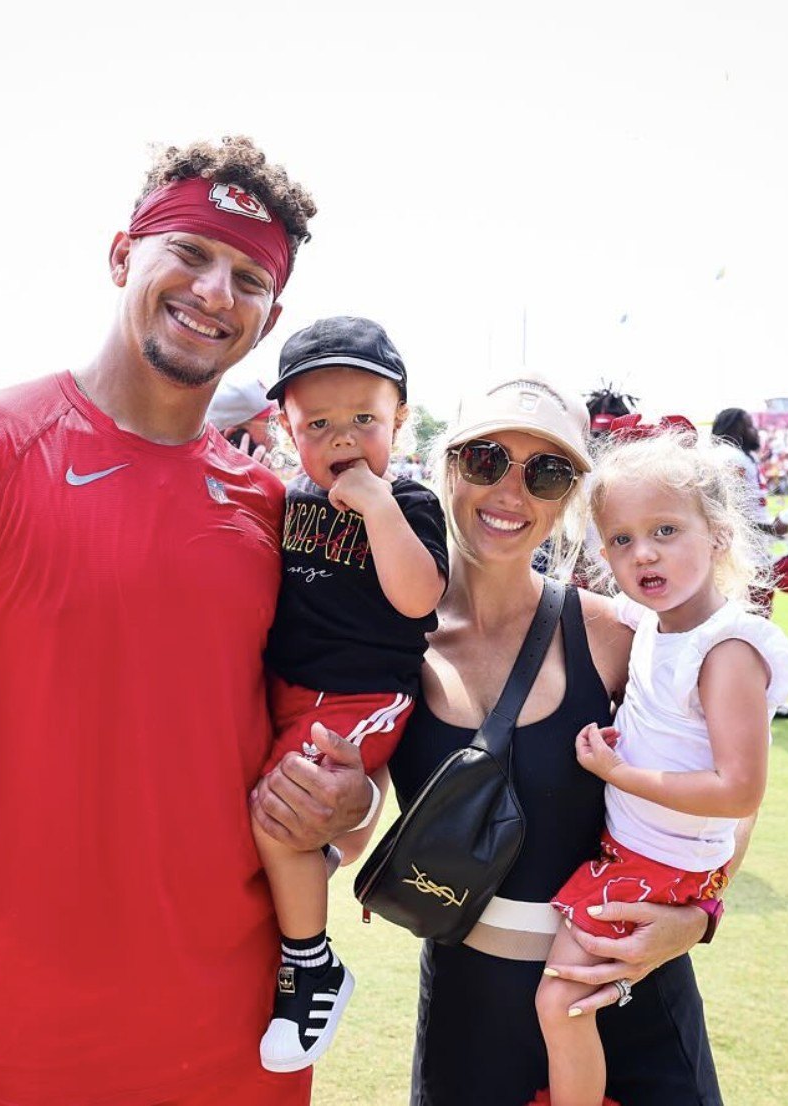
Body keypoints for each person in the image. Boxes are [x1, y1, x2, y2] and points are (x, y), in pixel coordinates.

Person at [0, 136, 375, 1106]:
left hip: (252, 1051)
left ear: (270, 315)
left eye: (247, 276)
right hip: (41, 1050)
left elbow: (322, 747)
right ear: (122, 253)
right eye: (190, 252)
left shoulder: (272, 506)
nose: (214, 290)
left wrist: (349, 803)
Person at [385, 373, 739, 1106]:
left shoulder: (616, 634)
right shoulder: (390, 640)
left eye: (546, 472)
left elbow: (733, 793)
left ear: (571, 495)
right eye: (485, 459)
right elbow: (358, 804)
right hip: (468, 1017)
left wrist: (695, 917)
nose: (511, 494)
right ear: (446, 464)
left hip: (621, 996)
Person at [535, 424, 788, 1106]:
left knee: (561, 996)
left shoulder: (726, 648)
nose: (642, 552)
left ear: (716, 534)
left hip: (658, 864)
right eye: (621, 540)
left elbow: (739, 789)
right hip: (643, 851)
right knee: (572, 993)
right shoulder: (659, 621)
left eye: (665, 531)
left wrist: (619, 775)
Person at [253, 316, 449, 1072]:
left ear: (400, 419)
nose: (343, 440)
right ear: (287, 428)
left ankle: (312, 968)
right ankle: (319, 869)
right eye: (320, 424)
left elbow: (417, 597)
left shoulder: (409, 501)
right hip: (290, 688)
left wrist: (378, 506)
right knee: (275, 824)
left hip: (361, 694)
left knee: (280, 817)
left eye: (364, 420)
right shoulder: (291, 496)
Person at [711, 406, 788, 720]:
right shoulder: (733, 459)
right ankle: (760, 700)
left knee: (746, 627)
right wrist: (774, 529)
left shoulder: (735, 457)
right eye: (749, 424)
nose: (755, 430)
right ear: (735, 427)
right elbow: (735, 514)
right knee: (753, 629)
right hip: (747, 557)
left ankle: (750, 697)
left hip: (745, 554)